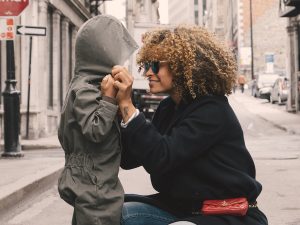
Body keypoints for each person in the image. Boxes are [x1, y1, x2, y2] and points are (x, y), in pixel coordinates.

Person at [111, 26, 268, 225]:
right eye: (146, 64)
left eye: (156, 65)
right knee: (115, 213)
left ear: (182, 67)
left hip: (228, 213)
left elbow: (161, 157)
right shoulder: (169, 107)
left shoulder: (212, 110)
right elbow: (130, 158)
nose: (149, 72)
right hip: (184, 209)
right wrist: (117, 111)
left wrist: (129, 107)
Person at [57, 15, 138, 225]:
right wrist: (109, 99)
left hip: (95, 182)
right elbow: (96, 130)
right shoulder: (85, 88)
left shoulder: (88, 84)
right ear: (100, 51)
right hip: (95, 188)